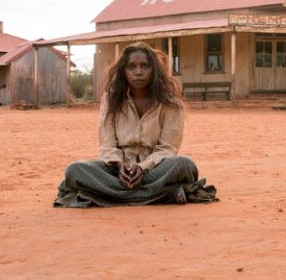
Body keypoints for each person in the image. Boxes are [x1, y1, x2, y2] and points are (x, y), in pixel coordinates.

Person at [54, 41, 217, 207]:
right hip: (118, 170)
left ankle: (112, 196)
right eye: (131, 67)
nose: (138, 72)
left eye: (144, 66)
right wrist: (120, 166)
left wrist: (143, 168)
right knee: (74, 170)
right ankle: (161, 194)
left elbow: (168, 148)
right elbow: (107, 144)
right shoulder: (110, 100)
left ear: (154, 70)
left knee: (185, 165)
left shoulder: (171, 102)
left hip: (155, 169)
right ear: (123, 71)